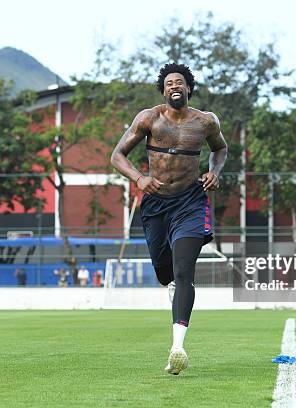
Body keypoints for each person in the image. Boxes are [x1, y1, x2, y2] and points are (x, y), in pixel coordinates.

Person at [111, 63, 227, 375]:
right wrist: (139, 178)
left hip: (190, 202)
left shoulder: (205, 122)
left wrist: (214, 173)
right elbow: (117, 155)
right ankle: (171, 285)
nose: (174, 86)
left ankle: (178, 346)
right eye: (168, 83)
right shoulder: (148, 118)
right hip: (155, 205)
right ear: (163, 90)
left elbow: (221, 150)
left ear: (189, 88)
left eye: (179, 82)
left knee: (184, 270)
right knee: (166, 273)